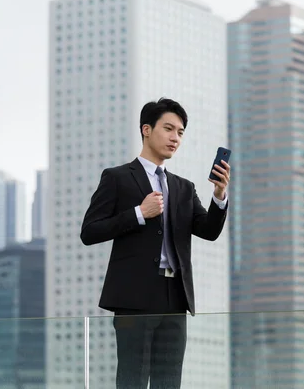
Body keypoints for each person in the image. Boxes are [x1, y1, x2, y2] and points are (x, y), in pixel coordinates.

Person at [80, 97, 230, 389]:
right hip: (133, 299)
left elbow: (208, 230)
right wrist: (139, 213)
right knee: (132, 380)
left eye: (181, 132)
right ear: (146, 129)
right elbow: (90, 231)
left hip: (175, 297)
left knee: (169, 381)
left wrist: (219, 195)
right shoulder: (117, 178)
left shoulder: (183, 187)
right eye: (169, 129)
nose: (175, 138)